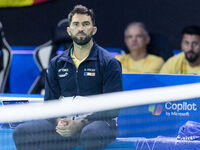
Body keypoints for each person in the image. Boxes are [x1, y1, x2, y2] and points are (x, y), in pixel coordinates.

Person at [13, 5, 122, 150]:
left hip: (97, 124)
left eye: (86, 24)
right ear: (69, 31)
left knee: (91, 133)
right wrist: (60, 121)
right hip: (65, 122)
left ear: (94, 30)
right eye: (76, 24)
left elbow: (113, 108)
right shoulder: (57, 63)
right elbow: (50, 104)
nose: (81, 28)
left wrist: (81, 124)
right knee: (22, 131)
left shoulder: (109, 62)